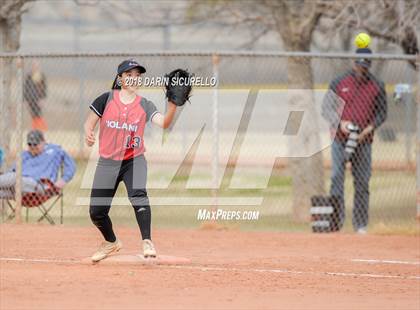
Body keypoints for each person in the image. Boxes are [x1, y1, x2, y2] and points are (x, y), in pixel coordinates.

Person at [85, 59, 179, 262]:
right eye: (129, 75)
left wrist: (173, 105)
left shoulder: (145, 105)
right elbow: (89, 122)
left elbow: (164, 123)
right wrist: (88, 133)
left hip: (132, 160)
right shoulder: (106, 99)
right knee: (96, 212)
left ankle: (147, 241)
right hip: (107, 162)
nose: (134, 78)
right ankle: (111, 242)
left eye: (137, 75)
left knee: (138, 195)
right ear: (120, 79)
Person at [321, 48, 387, 234]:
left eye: (365, 66)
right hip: (340, 139)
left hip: (363, 141)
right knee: (336, 179)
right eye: (359, 65)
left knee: (362, 182)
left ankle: (360, 225)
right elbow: (326, 107)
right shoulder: (339, 82)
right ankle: (335, 223)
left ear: (369, 66)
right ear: (353, 63)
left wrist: (368, 129)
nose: (361, 69)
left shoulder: (377, 85)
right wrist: (339, 122)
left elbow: (382, 113)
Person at [0, 130, 76, 199]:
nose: (32, 147)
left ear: (43, 142)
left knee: (15, 178)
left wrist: (64, 180)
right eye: (30, 144)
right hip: (20, 188)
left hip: (41, 185)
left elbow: (71, 165)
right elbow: (11, 171)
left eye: (35, 144)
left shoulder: (55, 151)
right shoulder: (25, 155)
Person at [23, 61, 48, 131]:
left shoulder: (41, 76)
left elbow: (44, 88)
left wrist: (42, 99)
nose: (35, 67)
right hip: (30, 98)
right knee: (33, 114)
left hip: (38, 99)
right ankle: (35, 128)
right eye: (34, 65)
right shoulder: (29, 76)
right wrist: (25, 100)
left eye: (37, 66)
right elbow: (26, 88)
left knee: (38, 114)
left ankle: (41, 128)